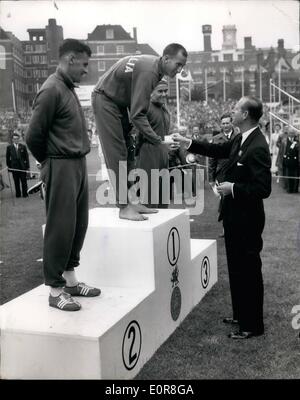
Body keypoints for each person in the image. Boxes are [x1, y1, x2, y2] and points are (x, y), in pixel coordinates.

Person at [173, 96, 272, 339]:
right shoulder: (241, 137)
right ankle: (241, 315)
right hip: (234, 216)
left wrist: (234, 189)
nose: (233, 110)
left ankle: (252, 326)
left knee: (248, 269)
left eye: (237, 108)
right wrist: (190, 142)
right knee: (237, 268)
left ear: (246, 114)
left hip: (247, 219)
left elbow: (263, 188)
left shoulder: (258, 145)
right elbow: (218, 149)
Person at [26, 39, 100, 312]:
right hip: (60, 165)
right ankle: (55, 290)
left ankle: (70, 281)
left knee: (77, 225)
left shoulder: (67, 88)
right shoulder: (51, 90)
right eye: (83, 64)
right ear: (69, 59)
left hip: (77, 164)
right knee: (60, 226)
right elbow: (32, 136)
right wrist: (48, 163)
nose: (86, 70)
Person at [92, 43, 187, 221]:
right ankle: (124, 206)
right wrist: (158, 140)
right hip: (105, 99)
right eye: (178, 64)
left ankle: (131, 201)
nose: (180, 70)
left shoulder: (154, 69)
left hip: (118, 100)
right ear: (166, 59)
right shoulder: (150, 72)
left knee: (127, 149)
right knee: (117, 152)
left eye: (183, 66)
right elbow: (137, 115)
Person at [136, 79, 179, 208]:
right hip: (148, 153)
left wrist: (169, 142)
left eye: (166, 91)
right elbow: (137, 135)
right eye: (160, 91)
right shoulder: (144, 107)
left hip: (163, 154)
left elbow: (162, 134)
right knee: (149, 198)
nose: (164, 94)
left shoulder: (165, 109)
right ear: (150, 92)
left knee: (163, 197)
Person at [208, 113, 239, 237]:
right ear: (221, 125)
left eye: (227, 123)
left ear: (232, 123)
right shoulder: (216, 139)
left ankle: (238, 227)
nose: (225, 125)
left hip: (237, 174)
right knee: (225, 202)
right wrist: (211, 178)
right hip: (222, 174)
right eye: (223, 123)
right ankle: (226, 229)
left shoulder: (239, 136)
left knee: (238, 200)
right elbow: (212, 160)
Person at [6, 132, 29, 198]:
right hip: (14, 167)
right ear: (12, 140)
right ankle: (18, 194)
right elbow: (7, 158)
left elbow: (26, 157)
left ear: (18, 139)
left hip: (22, 167)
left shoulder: (23, 146)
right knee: (16, 181)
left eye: (17, 139)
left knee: (23, 181)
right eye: (14, 139)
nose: (16, 140)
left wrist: (27, 167)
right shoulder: (9, 147)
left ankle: (25, 194)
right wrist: (9, 167)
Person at [281, 129, 299, 193]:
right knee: (288, 175)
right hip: (287, 160)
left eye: (293, 133)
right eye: (290, 133)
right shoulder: (284, 141)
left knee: (295, 175)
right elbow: (281, 152)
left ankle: (295, 189)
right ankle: (289, 189)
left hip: (295, 161)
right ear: (288, 134)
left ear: (294, 134)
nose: (291, 134)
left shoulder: (297, 141)